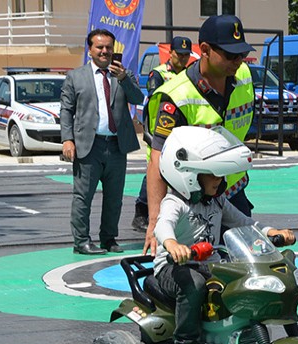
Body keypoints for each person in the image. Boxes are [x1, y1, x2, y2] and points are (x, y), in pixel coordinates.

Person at [152, 126, 295, 344]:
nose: (221, 181)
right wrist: (172, 245)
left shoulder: (217, 202)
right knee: (194, 284)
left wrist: (271, 232)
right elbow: (162, 225)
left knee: (243, 281)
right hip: (174, 267)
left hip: (210, 265)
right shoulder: (174, 203)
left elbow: (245, 223)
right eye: (215, 174)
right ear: (189, 175)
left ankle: (234, 337)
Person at [143, 14, 256, 257]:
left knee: (249, 263)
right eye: (230, 54)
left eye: (242, 54)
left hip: (233, 191)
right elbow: (157, 159)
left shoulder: (244, 77)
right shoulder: (176, 96)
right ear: (204, 49)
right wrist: (155, 221)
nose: (238, 61)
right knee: (196, 270)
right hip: (193, 199)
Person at [60, 28, 144, 255]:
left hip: (117, 146)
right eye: (100, 47)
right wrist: (67, 140)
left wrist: (124, 78)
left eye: (109, 47)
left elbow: (138, 98)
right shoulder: (75, 77)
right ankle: (82, 241)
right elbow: (66, 111)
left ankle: (109, 238)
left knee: (114, 198)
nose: (105, 51)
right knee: (83, 197)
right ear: (90, 50)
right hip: (89, 146)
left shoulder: (124, 75)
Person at [132, 36, 193, 233]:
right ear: (171, 53)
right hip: (159, 131)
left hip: (181, 133)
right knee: (156, 169)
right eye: (179, 55)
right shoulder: (158, 74)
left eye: (186, 55)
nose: (183, 59)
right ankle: (142, 211)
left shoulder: (189, 74)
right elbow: (152, 103)